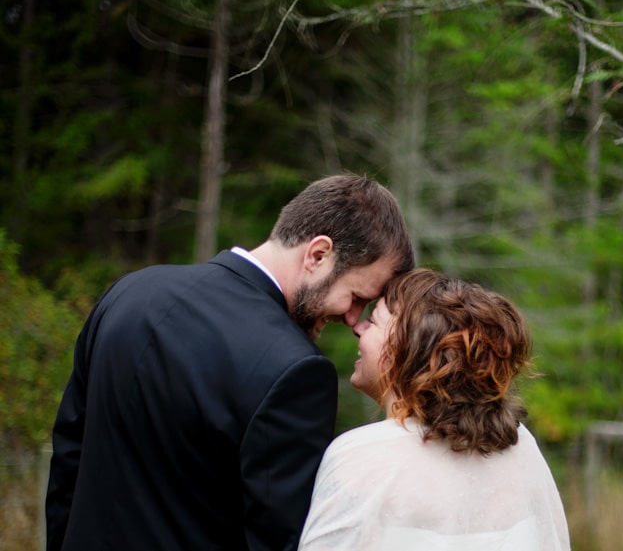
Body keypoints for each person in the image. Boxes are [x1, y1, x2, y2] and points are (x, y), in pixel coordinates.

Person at [45, 173, 415, 551]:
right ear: (318, 255)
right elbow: (278, 540)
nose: (353, 319)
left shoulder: (130, 292)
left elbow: (68, 461)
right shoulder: (296, 370)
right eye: (355, 296)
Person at [298, 268, 571, 551]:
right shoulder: (519, 445)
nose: (358, 327)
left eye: (374, 321)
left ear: (406, 348)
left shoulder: (359, 455)